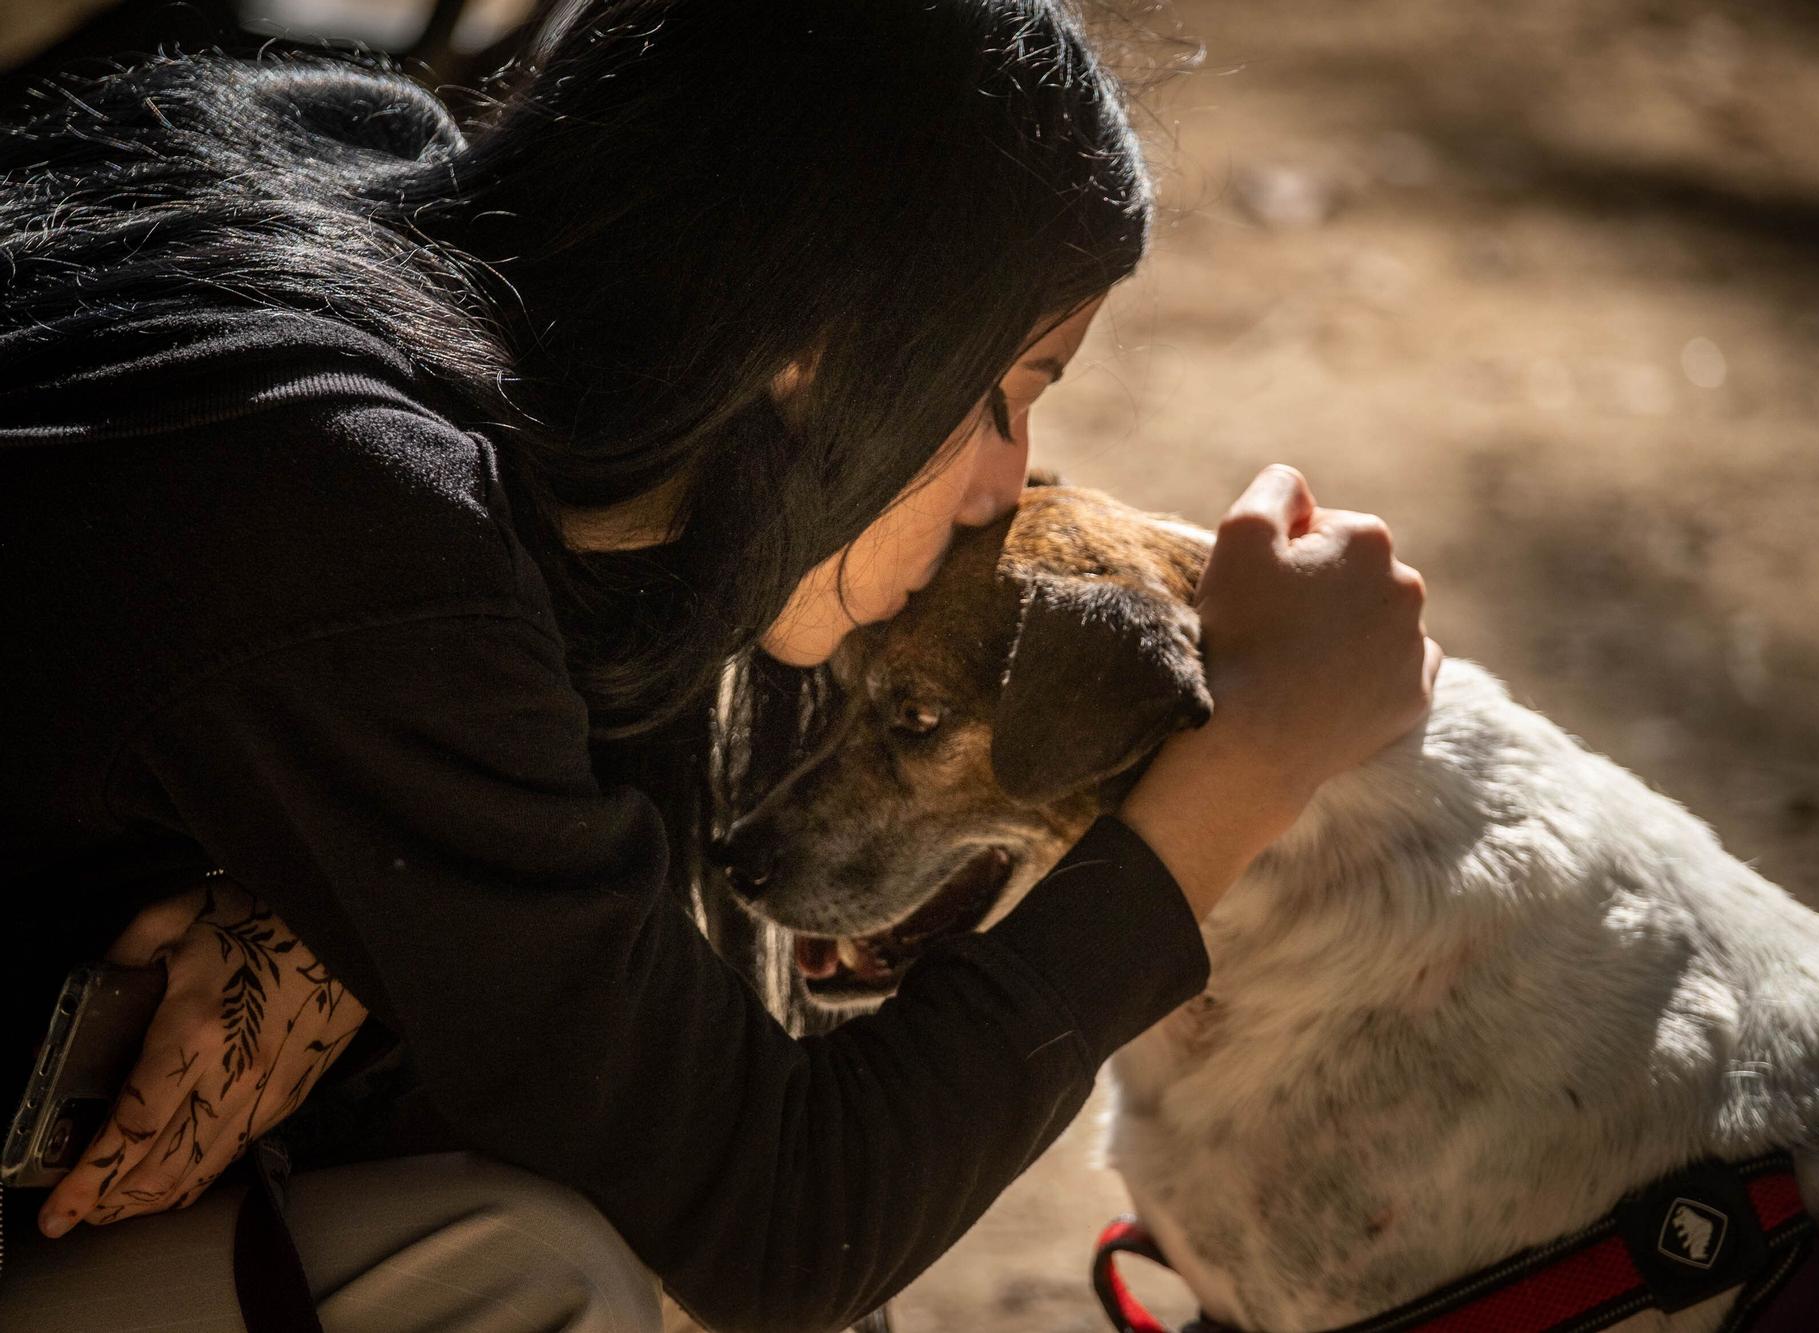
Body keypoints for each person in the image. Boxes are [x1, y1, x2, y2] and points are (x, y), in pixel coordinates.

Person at [0, 1, 1438, 1329]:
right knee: (548, 1272)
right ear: (821, 336)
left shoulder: (364, 173)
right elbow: (787, 1217)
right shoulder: (350, 526)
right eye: (1004, 394)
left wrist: (324, 920)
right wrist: (1242, 767)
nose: (1011, 483)